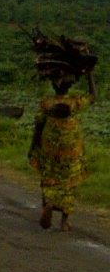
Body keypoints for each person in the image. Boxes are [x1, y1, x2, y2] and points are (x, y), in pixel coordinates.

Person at [28, 30, 98, 232]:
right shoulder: (75, 102)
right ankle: (64, 221)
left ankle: (47, 204)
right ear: (71, 83)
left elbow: (38, 125)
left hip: (49, 146)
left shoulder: (47, 103)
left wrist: (34, 146)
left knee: (48, 176)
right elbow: (93, 96)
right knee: (69, 181)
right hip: (71, 148)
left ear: (52, 83)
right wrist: (90, 73)